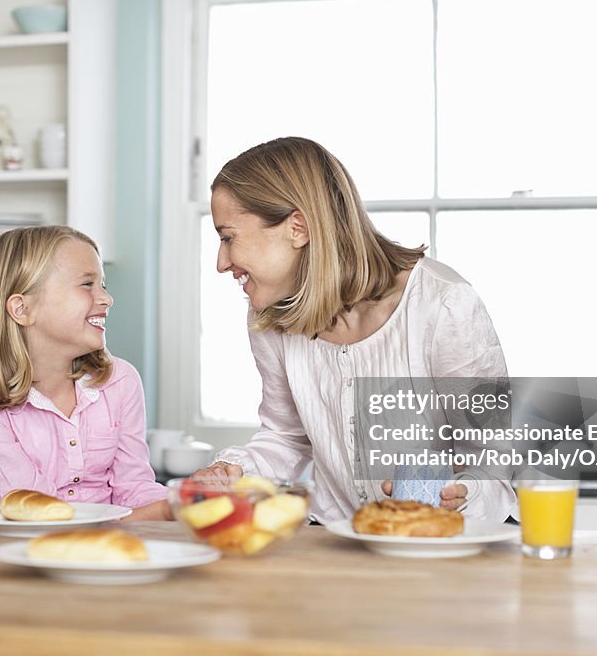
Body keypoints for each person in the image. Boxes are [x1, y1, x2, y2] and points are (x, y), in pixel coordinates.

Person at [193, 136, 516, 524]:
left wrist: (461, 493)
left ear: (298, 228)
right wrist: (234, 471)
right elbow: (286, 437)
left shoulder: (442, 304)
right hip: (335, 547)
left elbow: (493, 455)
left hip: (443, 549)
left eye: (228, 237)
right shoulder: (270, 316)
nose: (221, 262)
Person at [0, 225, 170, 520]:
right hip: (13, 556)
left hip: (98, 554)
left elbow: (134, 489)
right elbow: (43, 514)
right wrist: (170, 509)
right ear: (22, 309)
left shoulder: (120, 382)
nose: (106, 298)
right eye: (87, 284)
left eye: (103, 285)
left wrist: (183, 502)